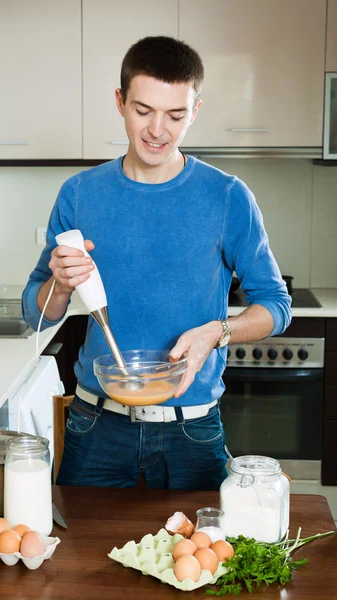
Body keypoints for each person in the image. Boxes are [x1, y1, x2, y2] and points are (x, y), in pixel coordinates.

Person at [22, 36, 292, 491]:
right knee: (79, 562)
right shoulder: (80, 194)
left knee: (199, 557)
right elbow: (35, 310)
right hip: (96, 426)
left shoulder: (226, 197)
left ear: (196, 110)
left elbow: (276, 306)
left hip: (192, 429)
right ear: (120, 102)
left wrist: (218, 332)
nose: (157, 130)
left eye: (176, 114)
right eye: (143, 110)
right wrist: (62, 284)